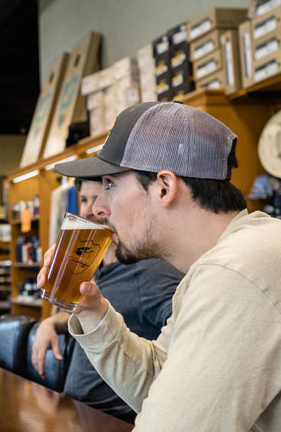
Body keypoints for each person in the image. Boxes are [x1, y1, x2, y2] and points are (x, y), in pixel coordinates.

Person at [37, 101, 281, 431]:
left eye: (110, 184)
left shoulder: (238, 270)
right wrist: (92, 312)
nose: (97, 208)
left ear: (164, 187)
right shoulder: (240, 254)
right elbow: (162, 381)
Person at [31, 179, 182, 423]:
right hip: (75, 414)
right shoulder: (98, 270)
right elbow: (106, 314)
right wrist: (51, 323)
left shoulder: (149, 272)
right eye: (84, 200)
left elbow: (187, 331)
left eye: (99, 198)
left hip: (112, 421)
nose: (87, 210)